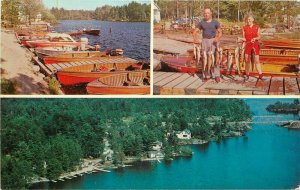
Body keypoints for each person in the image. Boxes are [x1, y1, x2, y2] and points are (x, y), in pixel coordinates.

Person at [192, 7, 222, 82]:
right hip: (204, 41)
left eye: (208, 13)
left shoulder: (215, 22)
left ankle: (216, 75)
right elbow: (194, 32)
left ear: (211, 13)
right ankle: (206, 75)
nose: (206, 14)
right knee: (205, 59)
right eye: (205, 13)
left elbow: (220, 32)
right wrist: (196, 39)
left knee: (215, 58)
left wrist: (217, 38)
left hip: (213, 41)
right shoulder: (201, 22)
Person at [239, 14, 263, 80]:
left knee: (257, 60)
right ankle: (247, 74)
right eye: (247, 19)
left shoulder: (257, 27)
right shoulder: (244, 27)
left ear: (253, 20)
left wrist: (255, 38)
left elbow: (259, 36)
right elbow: (244, 38)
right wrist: (240, 39)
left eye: (249, 19)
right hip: (247, 45)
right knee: (247, 60)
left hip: (255, 45)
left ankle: (260, 74)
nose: (248, 20)